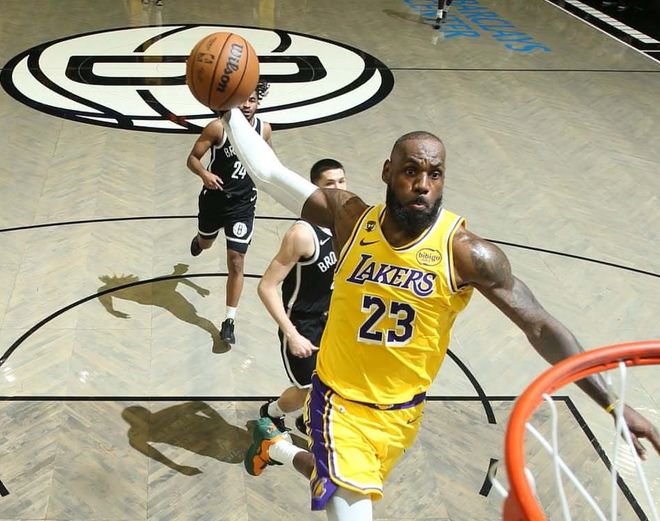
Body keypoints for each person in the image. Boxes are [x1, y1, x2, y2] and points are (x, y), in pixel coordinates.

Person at [219, 108, 660, 521]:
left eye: (434, 174)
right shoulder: (350, 219)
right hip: (338, 402)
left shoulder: (467, 253)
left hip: (403, 412)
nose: (423, 184)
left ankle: (276, 446)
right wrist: (231, 109)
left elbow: (540, 325)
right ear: (388, 172)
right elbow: (269, 172)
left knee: (336, 481)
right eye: (411, 171)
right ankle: (282, 446)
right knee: (347, 499)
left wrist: (612, 401)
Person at [258, 159, 347, 434]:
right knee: (305, 390)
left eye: (341, 181)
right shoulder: (302, 234)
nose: (338, 188)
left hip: (331, 319)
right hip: (302, 323)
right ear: (315, 190)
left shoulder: (345, 224)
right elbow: (266, 286)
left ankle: (307, 419)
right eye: (329, 184)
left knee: (334, 382)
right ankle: (272, 412)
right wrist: (292, 334)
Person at [186, 81, 271, 345]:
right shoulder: (217, 128)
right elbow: (192, 159)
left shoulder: (264, 129)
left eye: (252, 100)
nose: (247, 105)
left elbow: (269, 161)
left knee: (236, 261)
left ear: (258, 102)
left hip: (242, 205)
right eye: (242, 100)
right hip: (214, 201)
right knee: (206, 243)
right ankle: (200, 241)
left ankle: (229, 320)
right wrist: (204, 174)